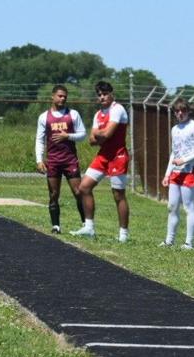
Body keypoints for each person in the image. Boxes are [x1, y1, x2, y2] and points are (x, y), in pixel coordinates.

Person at [72, 81, 130, 242]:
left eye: (105, 94)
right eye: (99, 95)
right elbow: (91, 140)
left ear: (112, 94)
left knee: (118, 195)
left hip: (118, 156)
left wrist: (99, 133)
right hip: (103, 155)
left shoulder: (117, 109)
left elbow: (107, 134)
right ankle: (89, 227)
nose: (102, 97)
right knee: (84, 187)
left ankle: (124, 234)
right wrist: (99, 134)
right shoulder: (98, 114)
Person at [34, 84, 87, 234]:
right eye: (60, 95)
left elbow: (83, 134)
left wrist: (67, 136)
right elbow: (39, 139)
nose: (63, 98)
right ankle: (56, 226)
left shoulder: (73, 114)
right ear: (52, 96)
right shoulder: (44, 117)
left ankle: (85, 225)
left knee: (78, 192)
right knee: (54, 194)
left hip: (70, 160)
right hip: (53, 161)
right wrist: (39, 159)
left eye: (65, 96)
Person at [161, 98, 194, 250]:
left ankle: (189, 243)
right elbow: (174, 152)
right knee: (172, 206)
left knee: (189, 206)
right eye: (177, 111)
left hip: (190, 171)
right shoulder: (175, 129)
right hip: (175, 172)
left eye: (183, 110)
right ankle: (169, 240)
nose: (180, 113)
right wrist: (167, 174)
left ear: (188, 111)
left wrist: (185, 160)